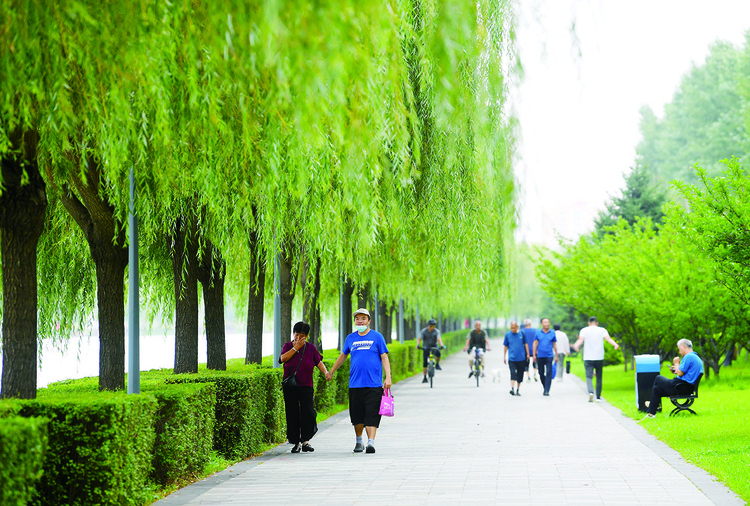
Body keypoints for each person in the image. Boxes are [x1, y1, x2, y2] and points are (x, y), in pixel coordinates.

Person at [327, 308, 392, 454]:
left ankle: (371, 443)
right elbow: (343, 356)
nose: (360, 321)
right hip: (355, 384)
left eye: (363, 318)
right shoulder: (350, 338)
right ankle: (358, 441)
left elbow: (384, 357)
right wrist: (331, 371)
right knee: (357, 415)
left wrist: (388, 377)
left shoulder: (377, 337)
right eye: (357, 319)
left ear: (369, 321)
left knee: (372, 413)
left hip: (374, 384)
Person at [279, 321, 328, 453]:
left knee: (308, 413)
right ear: (293, 334)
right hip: (291, 387)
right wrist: (295, 348)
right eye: (297, 334)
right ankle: (295, 443)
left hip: (306, 386)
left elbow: (318, 362)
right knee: (292, 413)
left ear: (306, 336)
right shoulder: (288, 346)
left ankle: (306, 441)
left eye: (302, 335)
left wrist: (326, 372)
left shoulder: (311, 348)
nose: (298, 338)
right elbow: (282, 359)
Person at [641, 339, 703, 420]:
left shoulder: (689, 356)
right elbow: (682, 372)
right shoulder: (695, 357)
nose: (679, 352)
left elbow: (680, 373)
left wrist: (676, 363)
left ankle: (654, 403)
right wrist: (675, 370)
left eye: (679, 349)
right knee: (657, 389)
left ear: (683, 347)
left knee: (658, 378)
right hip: (686, 387)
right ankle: (651, 413)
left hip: (681, 386)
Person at [572, 316, 620, 402]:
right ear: (597, 323)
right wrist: (615, 345)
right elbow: (608, 338)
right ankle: (598, 397)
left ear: (588, 323)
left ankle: (591, 392)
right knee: (599, 377)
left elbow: (581, 340)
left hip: (588, 357)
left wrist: (576, 346)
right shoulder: (602, 330)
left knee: (589, 376)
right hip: (599, 357)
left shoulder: (584, 330)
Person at [503, 320, 529, 396]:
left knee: (520, 374)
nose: (512, 329)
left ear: (517, 327)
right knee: (513, 372)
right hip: (512, 358)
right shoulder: (507, 335)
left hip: (521, 358)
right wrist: (504, 356)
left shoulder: (522, 334)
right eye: (511, 328)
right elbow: (506, 346)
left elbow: (526, 344)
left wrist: (528, 354)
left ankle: (518, 389)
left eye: (514, 328)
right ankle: (512, 388)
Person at [533, 318, 558, 396]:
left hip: (549, 355)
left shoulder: (552, 332)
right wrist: (534, 355)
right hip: (540, 356)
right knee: (541, 373)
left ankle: (547, 390)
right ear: (542, 324)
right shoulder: (537, 332)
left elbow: (554, 344)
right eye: (545, 322)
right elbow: (535, 343)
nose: (547, 324)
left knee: (549, 373)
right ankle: (545, 387)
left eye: (548, 322)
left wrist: (556, 355)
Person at [417, 318, 446, 383]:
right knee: (425, 362)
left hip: (434, 346)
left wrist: (441, 345)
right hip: (426, 347)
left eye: (433, 326)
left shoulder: (436, 331)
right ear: (428, 325)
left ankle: (437, 364)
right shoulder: (424, 331)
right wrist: (418, 345)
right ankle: (424, 377)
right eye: (431, 326)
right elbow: (419, 339)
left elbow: (439, 339)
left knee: (438, 353)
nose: (432, 328)